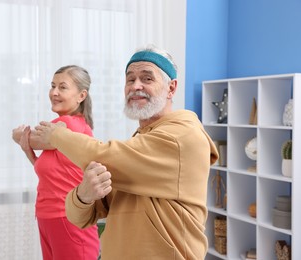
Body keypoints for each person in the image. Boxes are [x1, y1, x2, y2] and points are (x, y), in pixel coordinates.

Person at [34, 45, 219, 259]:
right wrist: (83, 196)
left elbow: (101, 155)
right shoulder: (139, 143)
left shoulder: (183, 137)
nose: (135, 86)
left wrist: (55, 135)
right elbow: (80, 217)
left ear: (171, 88)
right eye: (130, 79)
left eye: (147, 79)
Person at [12, 65, 100, 260]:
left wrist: (19, 135)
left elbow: (29, 137)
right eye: (52, 86)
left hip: (68, 220)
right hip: (49, 217)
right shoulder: (58, 129)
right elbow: (50, 173)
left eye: (62, 87)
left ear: (81, 95)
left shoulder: (68, 125)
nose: (54, 92)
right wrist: (28, 150)